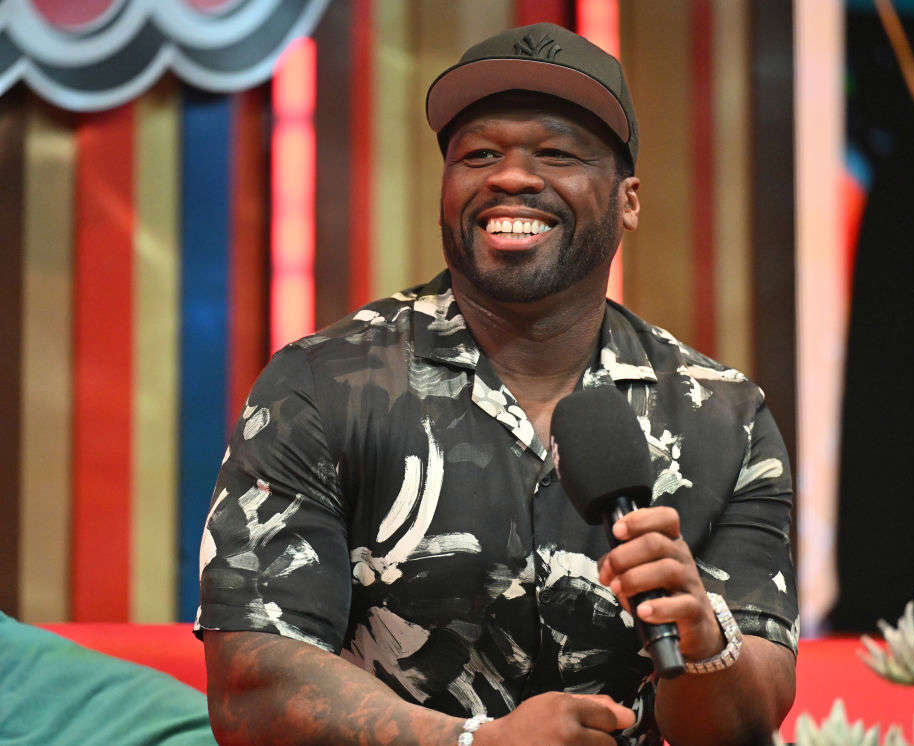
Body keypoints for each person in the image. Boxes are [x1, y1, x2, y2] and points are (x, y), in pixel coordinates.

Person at [196, 22, 798, 746]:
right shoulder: (320, 387)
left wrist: (705, 643)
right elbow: (251, 687)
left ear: (628, 200)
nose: (510, 177)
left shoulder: (724, 418)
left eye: (558, 154)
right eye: (478, 154)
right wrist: (474, 743)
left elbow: (747, 721)